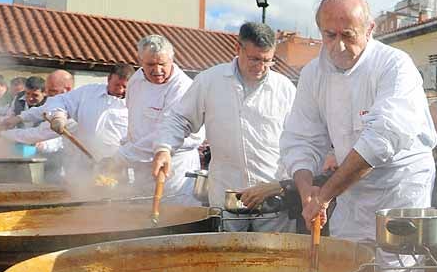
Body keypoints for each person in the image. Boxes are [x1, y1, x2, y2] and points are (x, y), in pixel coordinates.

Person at [278, 0, 437, 269]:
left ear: (369, 29)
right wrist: (307, 193)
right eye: (329, 35)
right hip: (349, 189)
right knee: (348, 267)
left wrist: (325, 195)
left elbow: (382, 139)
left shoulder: (394, 65)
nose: (338, 46)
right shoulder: (312, 74)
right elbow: (301, 139)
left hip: (400, 188)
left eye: (347, 35)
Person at [153, 22, 296, 232]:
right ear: (238, 50)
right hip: (226, 193)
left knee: (274, 256)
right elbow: (179, 119)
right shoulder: (210, 81)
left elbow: (298, 136)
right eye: (254, 59)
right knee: (227, 253)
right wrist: (164, 148)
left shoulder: (284, 88)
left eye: (267, 61)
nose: (261, 66)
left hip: (271, 195)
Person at [104, 35, 202, 203]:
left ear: (172, 59)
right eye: (150, 64)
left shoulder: (182, 88)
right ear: (140, 60)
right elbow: (134, 121)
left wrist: (121, 158)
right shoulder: (136, 81)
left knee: (174, 218)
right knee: (141, 218)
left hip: (174, 172)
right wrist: (127, 145)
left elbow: (166, 133)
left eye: (162, 64)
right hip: (141, 169)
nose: (157, 70)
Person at [38, 66, 132, 175]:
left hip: (118, 166)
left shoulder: (136, 103)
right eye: (116, 85)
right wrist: (58, 116)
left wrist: (118, 159)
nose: (120, 90)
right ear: (108, 79)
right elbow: (59, 100)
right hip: (84, 164)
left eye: (125, 86)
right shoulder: (88, 93)